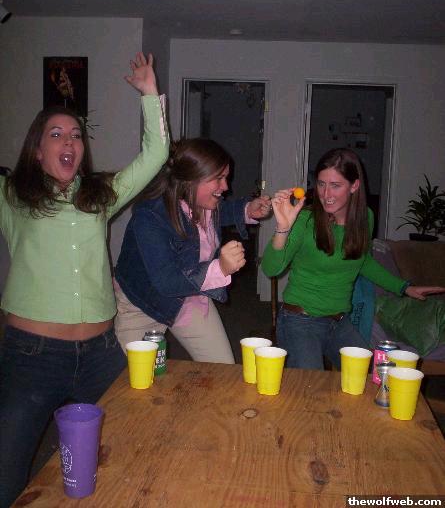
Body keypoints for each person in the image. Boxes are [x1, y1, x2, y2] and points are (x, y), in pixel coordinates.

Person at [0, 52, 169, 507]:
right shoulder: (11, 195)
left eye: (75, 135)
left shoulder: (100, 195)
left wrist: (149, 93)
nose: (68, 141)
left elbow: (156, 154)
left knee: (124, 450)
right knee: (8, 470)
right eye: (56, 134)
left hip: (100, 352)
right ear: (37, 150)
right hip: (32, 356)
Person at [261, 148, 445, 370]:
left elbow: (362, 261)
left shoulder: (365, 217)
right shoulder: (306, 220)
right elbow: (270, 269)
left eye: (335, 185)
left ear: (354, 186)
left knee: (370, 377)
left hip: (339, 322)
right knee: (310, 387)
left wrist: (404, 287)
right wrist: (283, 227)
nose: (326, 194)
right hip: (300, 321)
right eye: (321, 184)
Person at [114, 138, 272, 363]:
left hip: (188, 297)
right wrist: (220, 268)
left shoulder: (202, 201)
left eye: (225, 177)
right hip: (142, 304)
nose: (226, 187)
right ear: (190, 181)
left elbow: (221, 211)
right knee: (139, 378)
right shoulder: (149, 217)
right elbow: (167, 282)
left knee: (222, 369)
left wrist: (247, 210)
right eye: (218, 178)